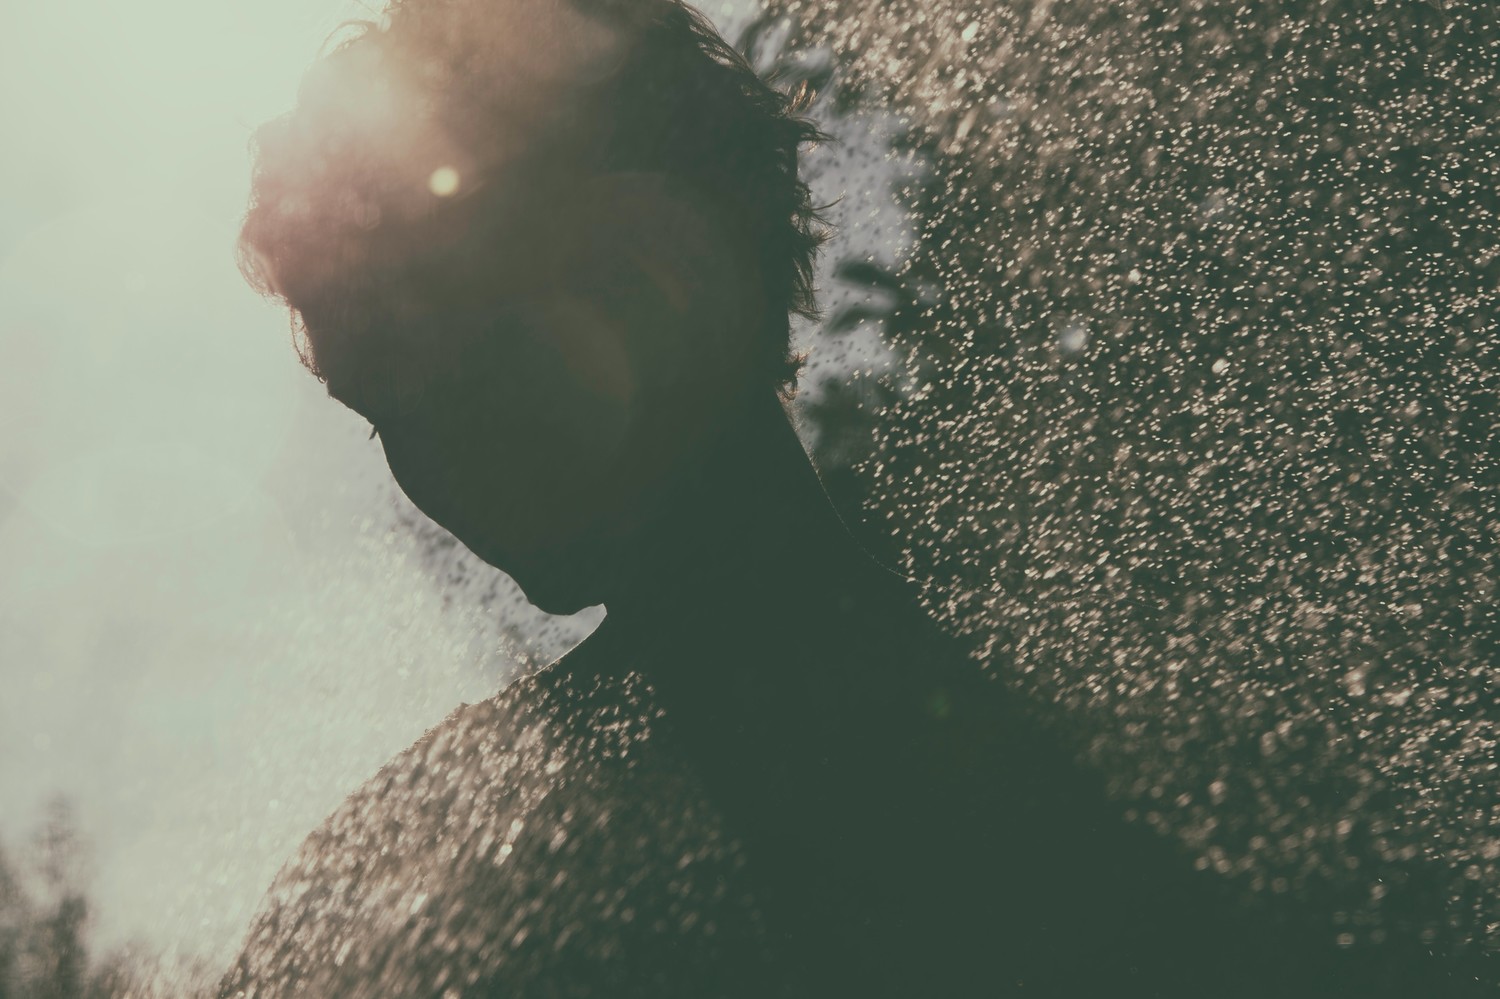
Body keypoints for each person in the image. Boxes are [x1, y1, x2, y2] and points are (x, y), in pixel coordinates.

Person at [219, 0, 1482, 995]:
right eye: (381, 412)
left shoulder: (432, 876)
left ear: (656, 270)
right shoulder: (411, 881)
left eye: (446, 373)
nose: (429, 469)